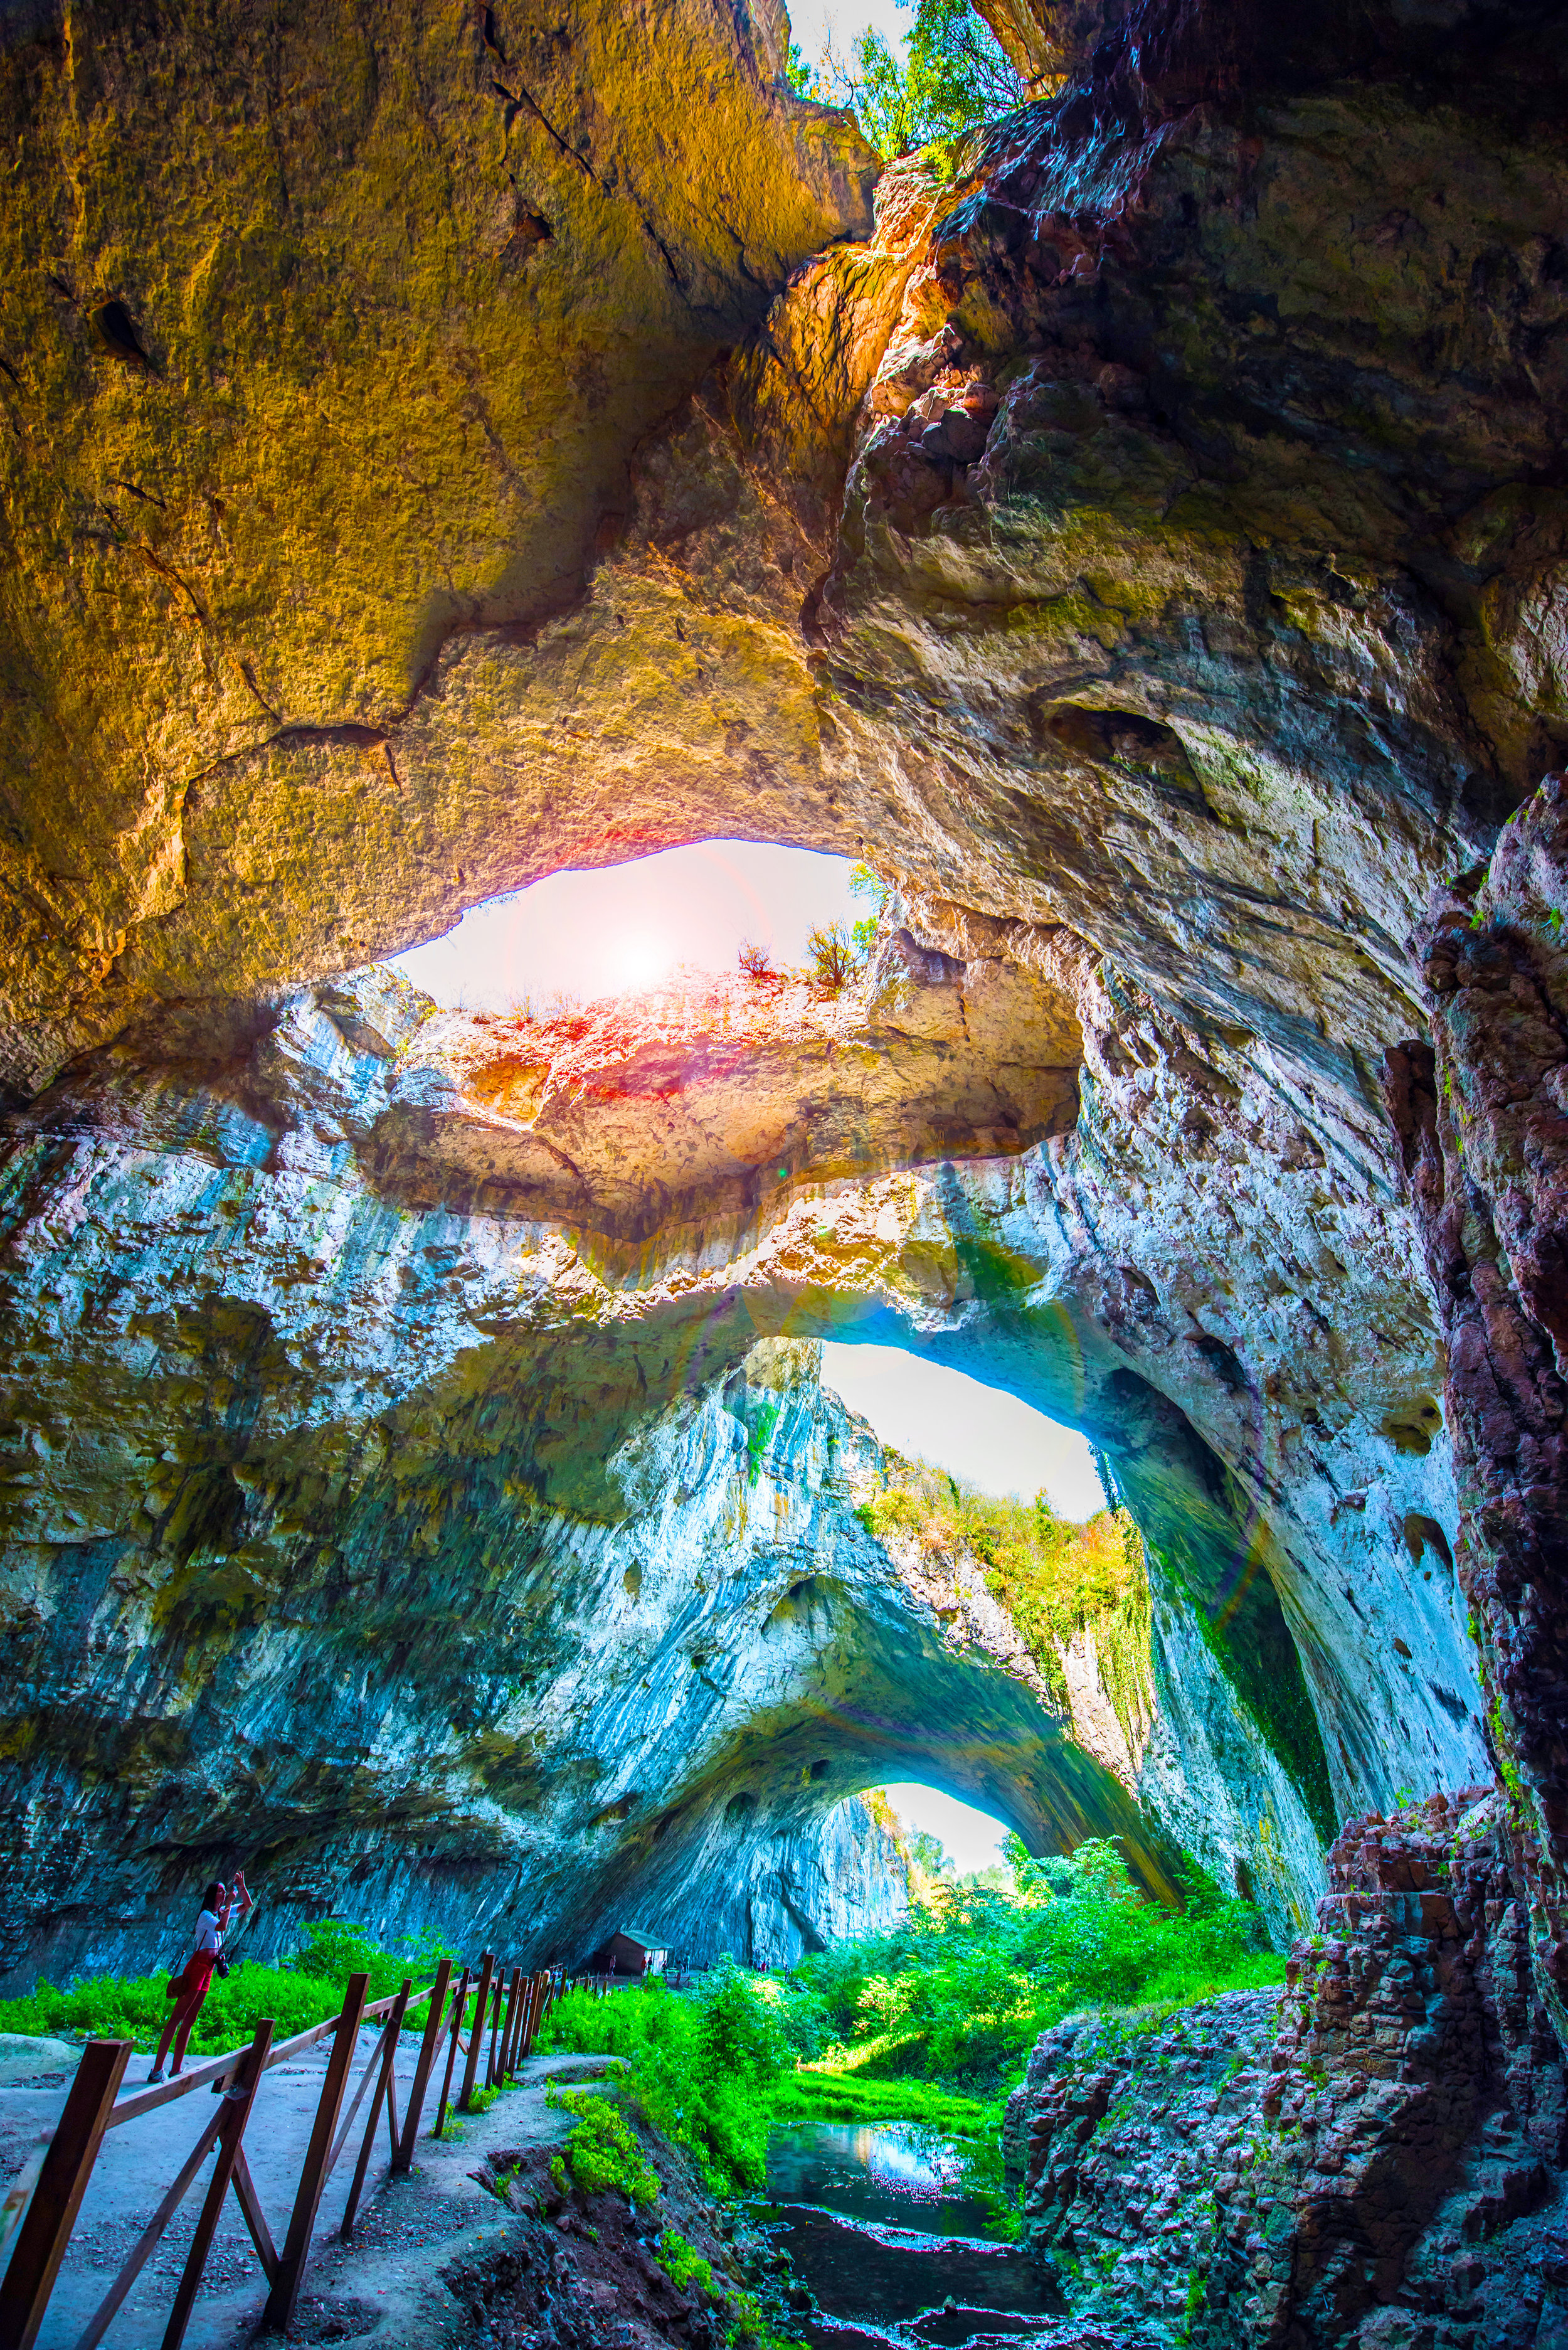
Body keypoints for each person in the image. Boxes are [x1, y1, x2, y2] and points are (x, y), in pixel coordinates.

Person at [148, 1868, 251, 2084]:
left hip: (210, 1967)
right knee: (177, 2017)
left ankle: (176, 2069)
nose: (224, 1894)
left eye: (225, 1892)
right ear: (213, 1895)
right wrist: (230, 1903)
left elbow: (247, 1906)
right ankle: (157, 2069)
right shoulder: (206, 1916)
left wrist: (241, 1887)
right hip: (198, 1965)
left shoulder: (221, 1911)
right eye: (221, 1892)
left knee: (191, 2018)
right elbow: (222, 1926)